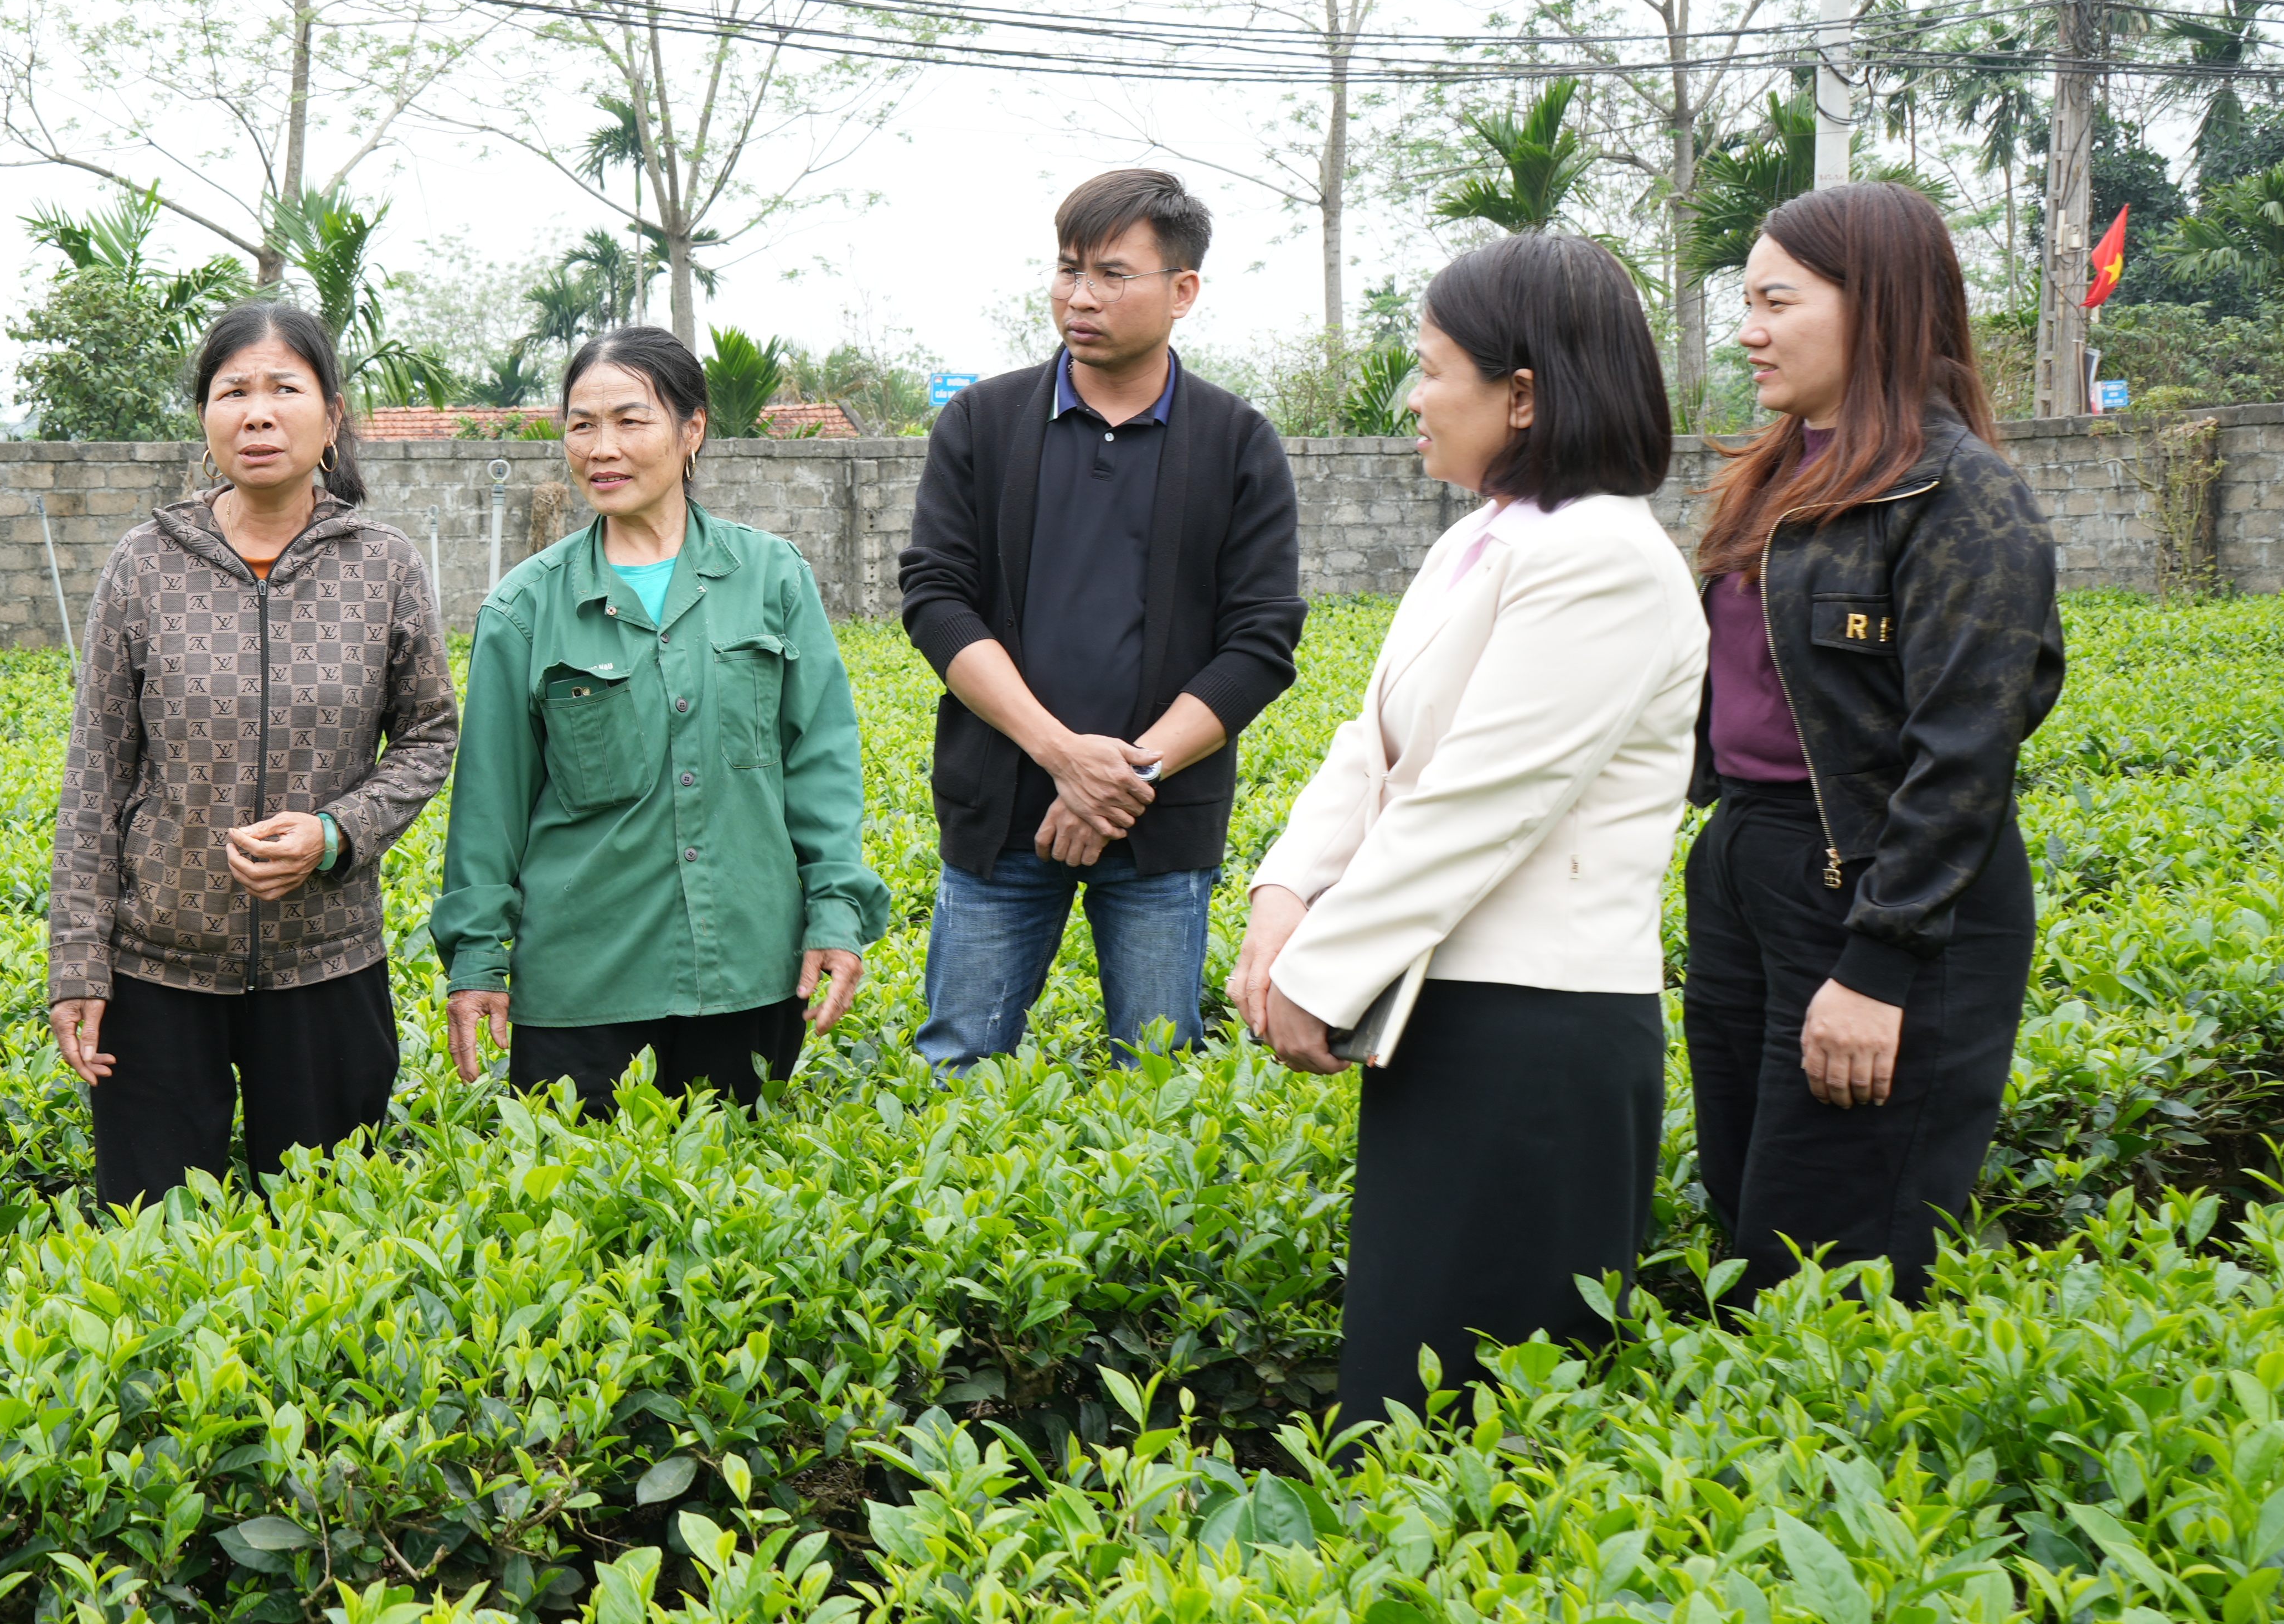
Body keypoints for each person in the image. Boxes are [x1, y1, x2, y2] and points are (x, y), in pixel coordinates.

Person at [1228, 233, 1700, 1430]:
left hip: (1538, 1035)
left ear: (1524, 393)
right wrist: (1285, 898)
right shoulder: (1481, 537)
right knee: (1406, 1376)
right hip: (1450, 1015)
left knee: (1484, 1408)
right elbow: (1374, 748)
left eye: (1432, 367)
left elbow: (1482, 798)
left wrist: (1320, 975)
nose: (1413, 398)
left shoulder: (1607, 559)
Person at [1683, 183, 2061, 1307]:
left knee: (1833, 1254)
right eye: (1745, 302)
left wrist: (1879, 962)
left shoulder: (1963, 497)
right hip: (1753, 861)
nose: (1748, 331)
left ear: (1877, 307)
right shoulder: (1776, 476)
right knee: (1748, 1210)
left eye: (1776, 301)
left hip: (1880, 890)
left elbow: (1966, 748)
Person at [45, 303, 459, 1205]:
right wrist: (78, 965)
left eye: (285, 389)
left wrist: (336, 833)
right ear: (204, 416)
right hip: (156, 973)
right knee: (153, 1248)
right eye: (233, 391)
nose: (258, 414)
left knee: (324, 1238)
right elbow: (95, 775)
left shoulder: (382, 564)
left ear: (333, 415)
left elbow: (429, 735)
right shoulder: (145, 563)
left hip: (329, 968)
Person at [900, 167, 1303, 1069]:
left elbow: (1263, 641)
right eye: (1068, 268)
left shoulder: (1237, 444)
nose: (1078, 296)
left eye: (1112, 274)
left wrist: (1123, 778)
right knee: (957, 1063)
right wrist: (1059, 755)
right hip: (999, 817)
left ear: (1183, 291)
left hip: (1157, 826)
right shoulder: (983, 423)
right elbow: (936, 600)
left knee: (1155, 1078)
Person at [434, 325, 891, 1116]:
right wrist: (477, 960)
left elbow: (821, 762)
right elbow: (488, 807)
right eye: (582, 424)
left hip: (751, 970)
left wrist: (836, 912)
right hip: (582, 988)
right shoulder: (525, 607)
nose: (601, 448)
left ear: (692, 430)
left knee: (738, 1216)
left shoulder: (772, 577)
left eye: (630, 420)